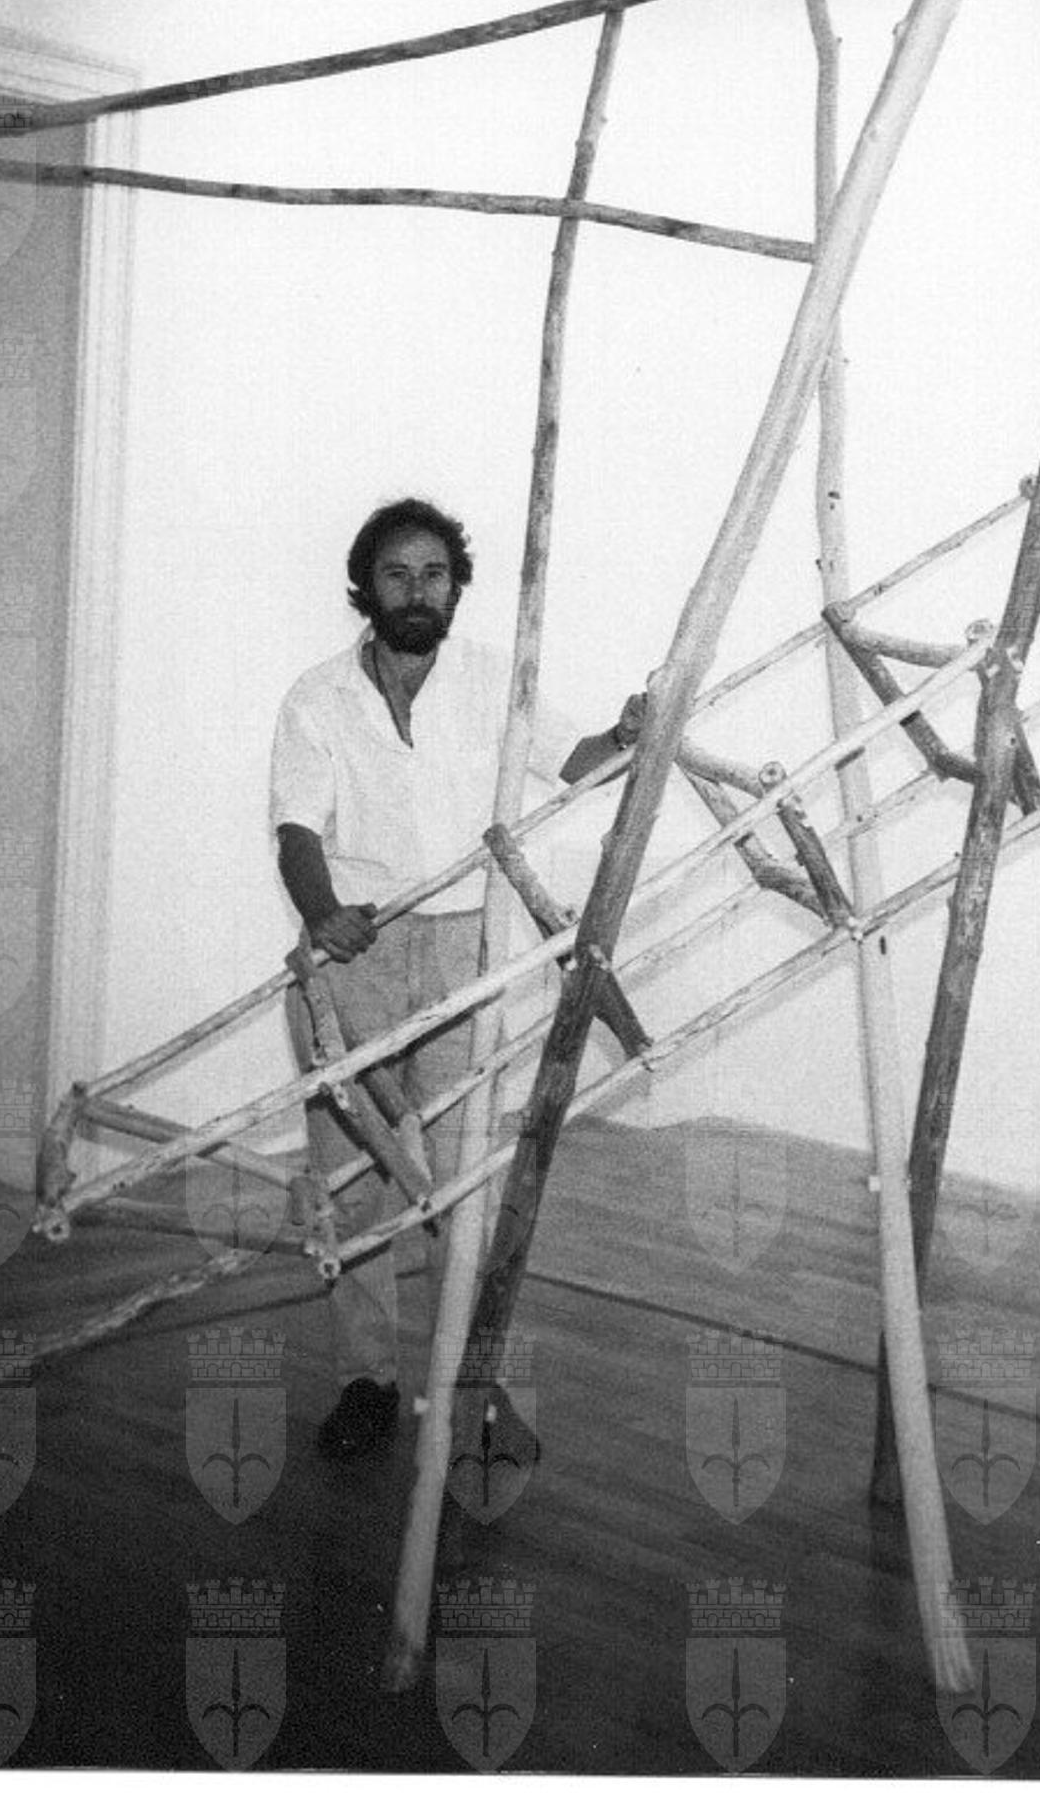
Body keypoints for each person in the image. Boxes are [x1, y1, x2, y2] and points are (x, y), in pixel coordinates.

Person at [271, 496, 643, 1460]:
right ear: (366, 587)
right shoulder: (318, 698)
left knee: (462, 1179)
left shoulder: (491, 681)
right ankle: (365, 1381)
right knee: (354, 1179)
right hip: (354, 952)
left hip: (460, 952)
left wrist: (630, 732)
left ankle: (470, 1385)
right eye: (397, 574)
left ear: (455, 588)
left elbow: (578, 763)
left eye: (433, 575)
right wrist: (322, 911)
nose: (416, 592)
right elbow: (297, 829)